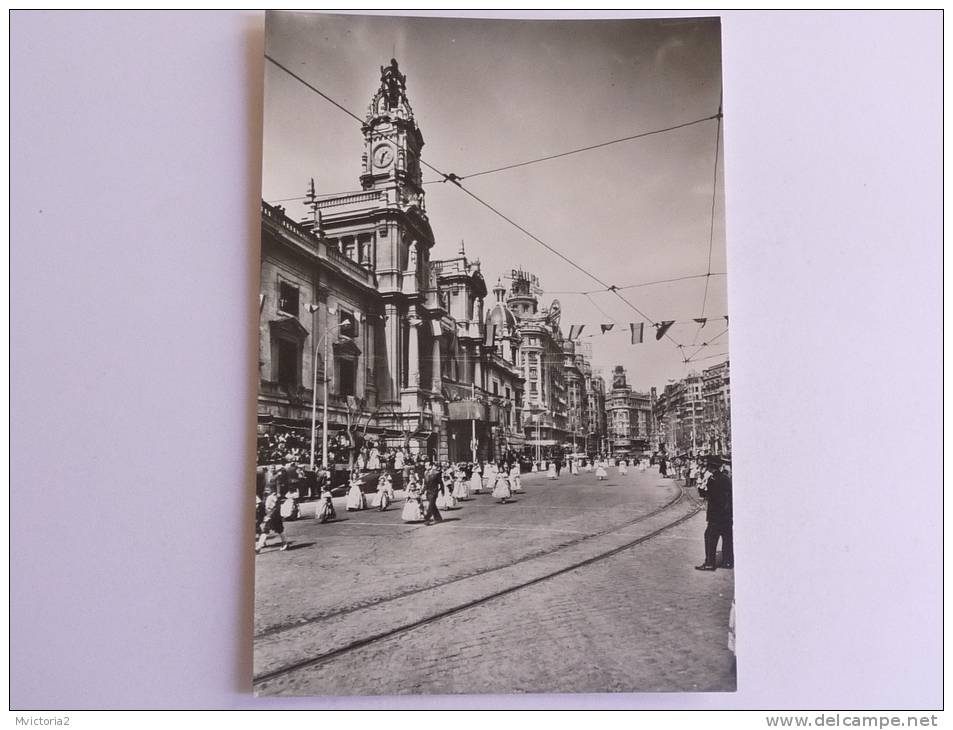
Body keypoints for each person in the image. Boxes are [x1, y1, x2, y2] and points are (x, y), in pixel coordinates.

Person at [695, 456, 734, 571]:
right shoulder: (726, 478)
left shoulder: (713, 479)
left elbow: (706, 495)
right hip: (727, 515)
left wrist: (703, 483)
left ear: (711, 467)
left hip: (716, 515)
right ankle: (727, 562)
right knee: (727, 538)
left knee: (710, 537)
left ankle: (710, 563)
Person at [256, 487, 289, 552]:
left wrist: (270, 515)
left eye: (268, 489)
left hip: (273, 516)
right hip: (273, 515)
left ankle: (259, 547)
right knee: (279, 530)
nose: (266, 491)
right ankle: (285, 543)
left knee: (266, 530)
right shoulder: (268, 497)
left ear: (272, 490)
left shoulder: (272, 497)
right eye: (265, 489)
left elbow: (275, 507)